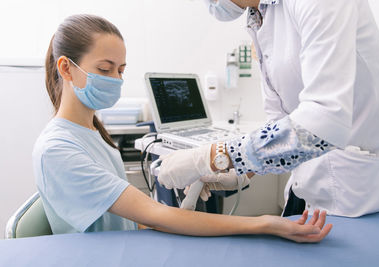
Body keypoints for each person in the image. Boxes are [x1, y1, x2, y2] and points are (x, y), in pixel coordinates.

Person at [32, 14, 332, 242]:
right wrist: (264, 223)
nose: (116, 79)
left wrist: (216, 177)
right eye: (104, 69)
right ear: (66, 68)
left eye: (121, 70)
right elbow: (152, 215)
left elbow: (139, 217)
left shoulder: (93, 132)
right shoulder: (58, 148)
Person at [158, 0, 379, 218]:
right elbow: (281, 121)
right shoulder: (263, 14)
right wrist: (239, 169)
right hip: (307, 184)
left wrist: (213, 157)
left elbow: (324, 121)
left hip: (360, 192)